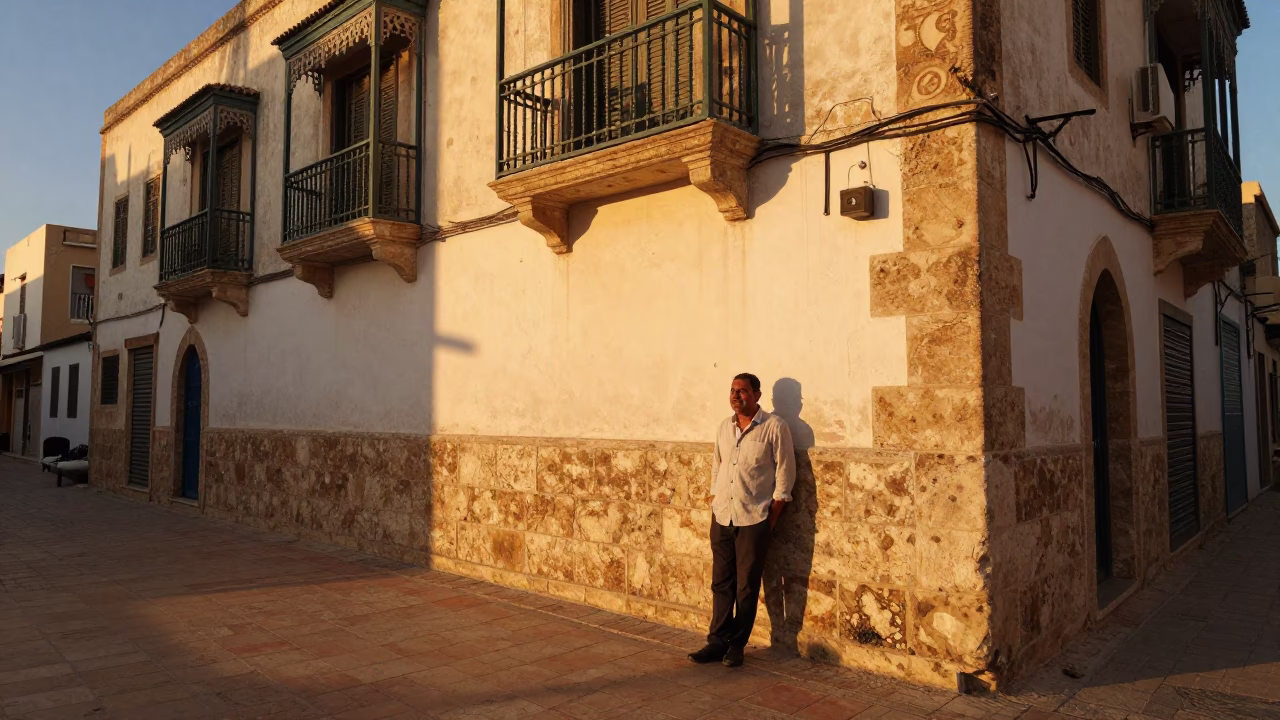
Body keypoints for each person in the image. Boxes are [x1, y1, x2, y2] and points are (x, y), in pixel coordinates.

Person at [688, 373, 795, 667]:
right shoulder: (725, 427)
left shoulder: (774, 428)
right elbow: (717, 466)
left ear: (758, 395)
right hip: (723, 515)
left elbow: (785, 475)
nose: (737, 396)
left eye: (743, 391)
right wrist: (715, 500)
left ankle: (737, 645)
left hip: (753, 518)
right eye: (733, 391)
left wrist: (770, 518)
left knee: (746, 586)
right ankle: (716, 642)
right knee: (721, 583)